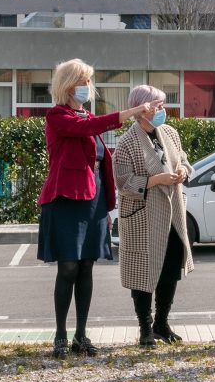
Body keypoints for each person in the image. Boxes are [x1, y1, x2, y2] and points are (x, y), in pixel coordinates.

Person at [37, 58, 156, 359]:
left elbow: (101, 159)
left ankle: (81, 335)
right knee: (68, 267)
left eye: (89, 81)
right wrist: (130, 112)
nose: (88, 87)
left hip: (93, 201)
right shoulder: (58, 116)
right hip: (66, 200)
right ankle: (60, 336)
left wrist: (107, 206)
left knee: (87, 266)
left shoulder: (87, 117)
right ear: (68, 85)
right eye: (83, 82)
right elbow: (89, 127)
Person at [113, 85, 194, 347]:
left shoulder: (170, 133)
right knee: (143, 271)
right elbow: (123, 182)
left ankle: (162, 322)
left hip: (172, 213)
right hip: (143, 215)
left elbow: (182, 160)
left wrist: (182, 170)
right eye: (157, 106)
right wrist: (155, 179)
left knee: (170, 269)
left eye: (162, 105)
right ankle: (145, 328)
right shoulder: (127, 142)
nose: (162, 111)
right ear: (141, 109)